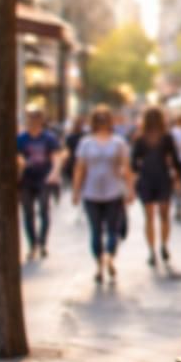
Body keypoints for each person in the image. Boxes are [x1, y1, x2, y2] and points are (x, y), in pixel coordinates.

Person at [72, 105, 132, 285]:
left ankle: (110, 258)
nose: (102, 123)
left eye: (104, 119)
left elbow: (126, 167)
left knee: (113, 230)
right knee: (96, 230)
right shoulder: (86, 143)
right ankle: (99, 264)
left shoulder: (118, 142)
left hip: (113, 192)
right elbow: (80, 169)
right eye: (99, 120)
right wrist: (76, 191)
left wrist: (129, 188)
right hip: (91, 193)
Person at [131, 106, 181, 267]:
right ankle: (163, 246)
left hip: (147, 179)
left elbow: (133, 163)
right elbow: (175, 161)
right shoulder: (166, 137)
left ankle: (152, 250)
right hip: (162, 178)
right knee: (164, 216)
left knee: (149, 217)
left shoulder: (140, 139)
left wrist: (140, 170)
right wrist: (177, 179)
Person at [16, 108, 61, 258]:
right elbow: (16, 156)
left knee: (43, 210)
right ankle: (32, 244)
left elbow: (56, 157)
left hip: (43, 178)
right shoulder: (21, 139)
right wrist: (20, 164)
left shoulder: (48, 138)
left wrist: (54, 174)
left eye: (36, 118)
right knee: (28, 213)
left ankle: (42, 242)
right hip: (26, 179)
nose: (33, 122)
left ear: (41, 120)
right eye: (30, 118)